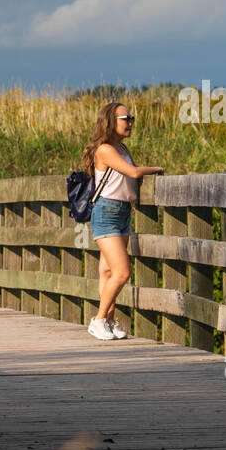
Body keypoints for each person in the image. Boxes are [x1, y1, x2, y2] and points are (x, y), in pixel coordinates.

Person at [80, 101, 165, 340]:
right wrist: (157, 168)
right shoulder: (105, 149)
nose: (129, 122)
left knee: (107, 272)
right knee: (122, 272)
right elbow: (134, 173)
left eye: (131, 118)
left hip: (122, 212)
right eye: (124, 118)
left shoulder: (123, 149)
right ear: (110, 121)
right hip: (107, 212)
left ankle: (108, 321)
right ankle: (97, 320)